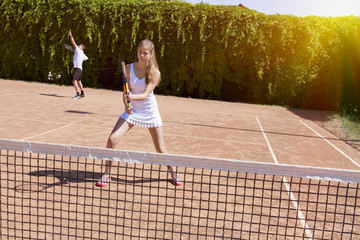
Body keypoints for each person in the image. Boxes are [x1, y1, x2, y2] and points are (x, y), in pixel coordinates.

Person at [96, 39, 182, 187]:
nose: (141, 55)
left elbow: (145, 94)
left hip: (149, 111)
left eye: (145, 53)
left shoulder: (155, 73)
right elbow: (126, 93)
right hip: (132, 111)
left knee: (160, 148)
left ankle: (173, 172)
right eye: (139, 52)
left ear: (151, 54)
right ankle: (107, 173)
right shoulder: (129, 68)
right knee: (112, 139)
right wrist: (126, 105)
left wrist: (131, 97)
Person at [68, 29, 88, 99]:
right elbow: (87, 58)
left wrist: (70, 35)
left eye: (79, 46)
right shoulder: (83, 54)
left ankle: (78, 94)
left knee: (74, 81)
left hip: (77, 68)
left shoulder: (78, 50)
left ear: (81, 48)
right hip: (80, 69)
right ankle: (82, 93)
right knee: (79, 81)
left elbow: (73, 42)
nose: (78, 46)